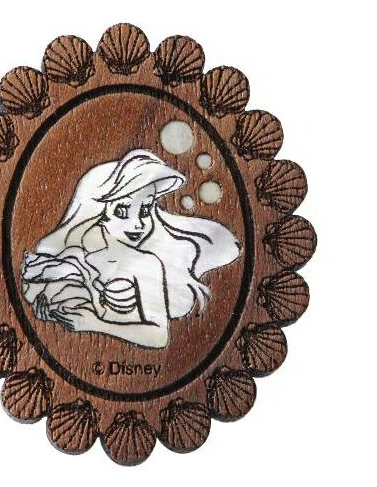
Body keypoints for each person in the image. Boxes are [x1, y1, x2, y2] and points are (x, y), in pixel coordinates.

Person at [21, 149, 240, 348]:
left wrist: (93, 324)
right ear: (101, 210)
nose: (137, 224)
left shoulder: (147, 263)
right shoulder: (77, 254)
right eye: (122, 211)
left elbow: (159, 336)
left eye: (145, 210)